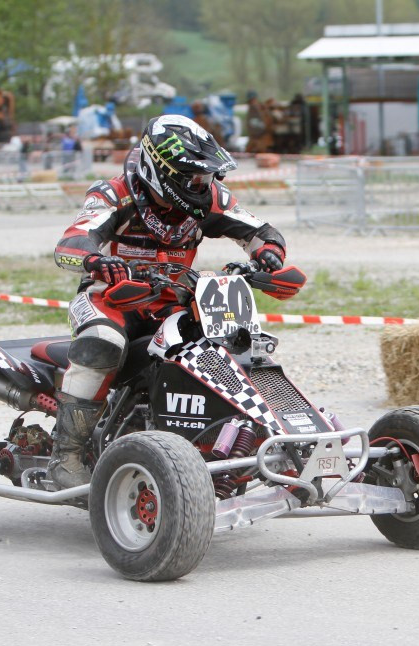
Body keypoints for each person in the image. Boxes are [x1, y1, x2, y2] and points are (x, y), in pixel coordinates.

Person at [48, 114, 289, 489]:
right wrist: (96, 259)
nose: (203, 185)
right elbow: (72, 242)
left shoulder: (211, 198)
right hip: (108, 298)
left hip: (172, 301)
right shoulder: (114, 194)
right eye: (194, 178)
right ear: (161, 171)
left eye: (207, 177)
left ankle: (237, 440)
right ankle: (67, 456)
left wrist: (269, 252)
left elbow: (259, 231)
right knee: (103, 343)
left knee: (232, 346)